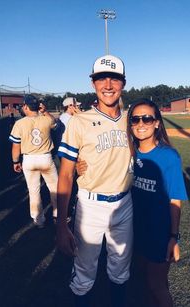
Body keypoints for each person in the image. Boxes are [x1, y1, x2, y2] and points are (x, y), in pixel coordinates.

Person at [56, 55, 133, 307]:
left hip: (125, 203)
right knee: (84, 274)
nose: (108, 85)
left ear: (123, 83)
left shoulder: (133, 120)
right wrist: (61, 225)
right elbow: (66, 174)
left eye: (115, 79)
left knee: (120, 269)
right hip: (90, 205)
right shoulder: (79, 121)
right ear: (93, 84)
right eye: (101, 78)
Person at [127, 98, 188, 307]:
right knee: (143, 281)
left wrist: (173, 237)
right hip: (133, 230)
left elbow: (175, 200)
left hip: (158, 233)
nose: (141, 124)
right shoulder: (128, 152)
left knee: (156, 285)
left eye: (147, 118)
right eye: (135, 119)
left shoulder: (169, 156)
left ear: (157, 123)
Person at [9, 94, 58, 228]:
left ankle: (38, 220)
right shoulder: (46, 119)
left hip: (29, 159)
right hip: (45, 157)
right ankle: (57, 215)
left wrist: (15, 161)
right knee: (54, 189)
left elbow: (15, 146)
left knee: (33, 191)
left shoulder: (19, 123)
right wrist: (45, 111)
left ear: (26, 106)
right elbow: (55, 122)